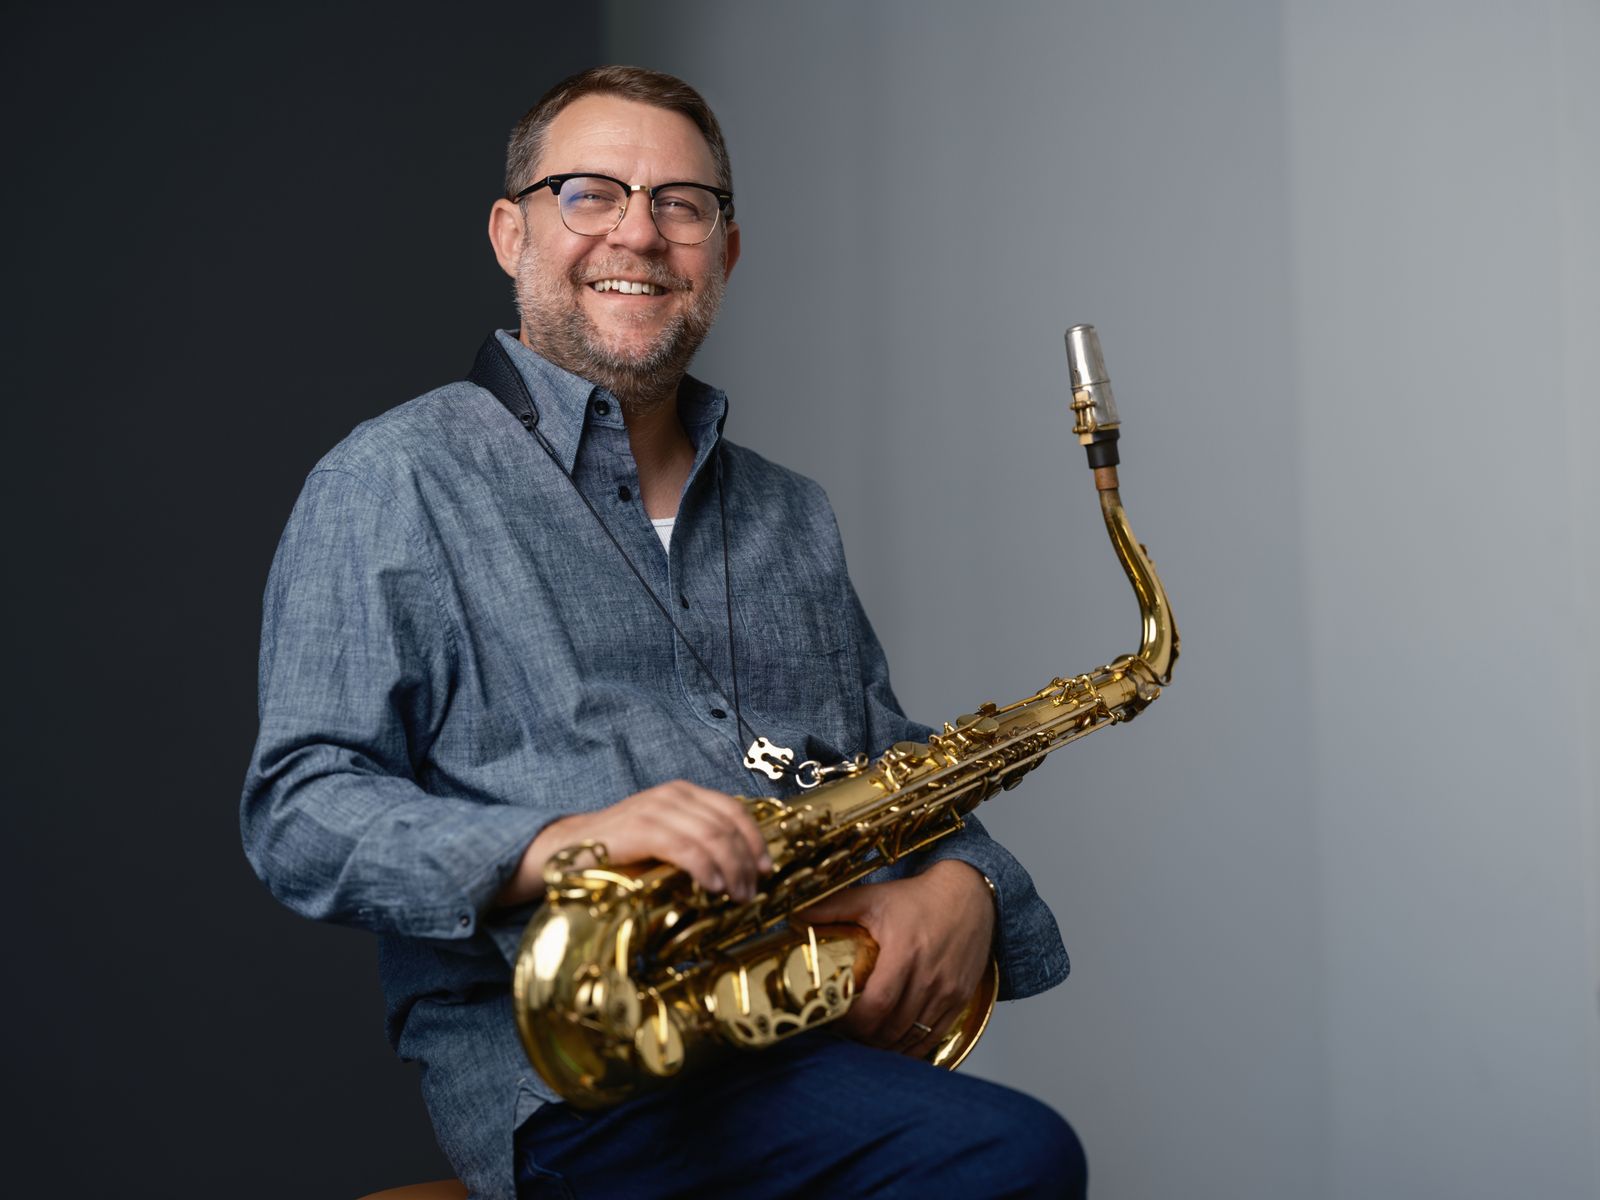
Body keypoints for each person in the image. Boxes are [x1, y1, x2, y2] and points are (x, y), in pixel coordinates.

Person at [242, 66, 1084, 1199]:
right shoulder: (391, 480)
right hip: (582, 1078)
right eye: (589, 193)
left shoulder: (791, 512)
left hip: (799, 1036)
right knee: (1009, 1156)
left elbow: (885, 765)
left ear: (724, 253)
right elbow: (298, 809)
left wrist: (967, 883)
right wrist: (564, 845)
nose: (637, 233)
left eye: (680, 204)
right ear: (510, 234)